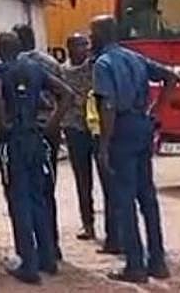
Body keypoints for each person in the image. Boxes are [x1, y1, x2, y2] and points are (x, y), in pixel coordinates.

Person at [91, 15, 178, 283]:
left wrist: (104, 145)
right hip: (142, 126)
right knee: (147, 197)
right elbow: (171, 77)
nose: (90, 37)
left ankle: (135, 266)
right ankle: (157, 261)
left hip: (122, 131)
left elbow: (107, 106)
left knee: (124, 200)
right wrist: (154, 111)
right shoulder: (135, 58)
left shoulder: (103, 64)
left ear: (100, 35)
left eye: (92, 33)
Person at [0, 32, 72, 285]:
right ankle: (47, 258)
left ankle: (28, 263)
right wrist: (52, 124)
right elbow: (66, 93)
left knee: (18, 200)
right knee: (39, 198)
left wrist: (3, 126)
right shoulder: (36, 69)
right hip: (36, 138)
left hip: (14, 141)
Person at [12, 22, 64, 258]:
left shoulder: (16, 66)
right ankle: (52, 247)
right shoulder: (51, 62)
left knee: (24, 192)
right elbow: (63, 94)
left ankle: (32, 251)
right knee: (47, 189)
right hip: (49, 130)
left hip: (28, 130)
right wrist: (54, 123)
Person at [62, 33, 118, 246]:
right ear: (69, 48)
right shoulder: (63, 70)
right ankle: (88, 224)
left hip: (96, 128)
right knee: (82, 180)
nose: (84, 48)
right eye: (79, 44)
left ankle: (112, 231)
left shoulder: (95, 66)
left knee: (107, 178)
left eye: (86, 44)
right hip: (75, 129)